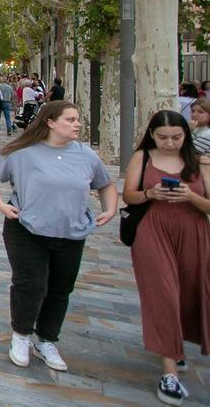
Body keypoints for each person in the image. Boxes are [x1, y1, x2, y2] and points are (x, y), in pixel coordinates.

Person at [0, 101, 117, 374]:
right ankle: (21, 334)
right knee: (31, 284)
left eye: (77, 119)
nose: (77, 124)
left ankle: (47, 339)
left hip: (71, 232)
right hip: (27, 229)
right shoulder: (23, 152)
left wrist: (110, 209)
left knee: (60, 288)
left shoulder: (86, 155)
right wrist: (0, 204)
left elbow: (105, 183)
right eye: (70, 119)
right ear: (50, 122)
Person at [122, 110, 210, 405]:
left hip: (193, 231)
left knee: (187, 293)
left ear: (186, 135)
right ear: (152, 135)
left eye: (176, 137)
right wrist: (151, 193)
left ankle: (176, 346)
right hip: (152, 230)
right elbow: (129, 196)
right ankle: (169, 372)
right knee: (163, 295)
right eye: (162, 137)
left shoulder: (201, 162)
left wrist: (190, 197)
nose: (169, 143)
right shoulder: (142, 158)